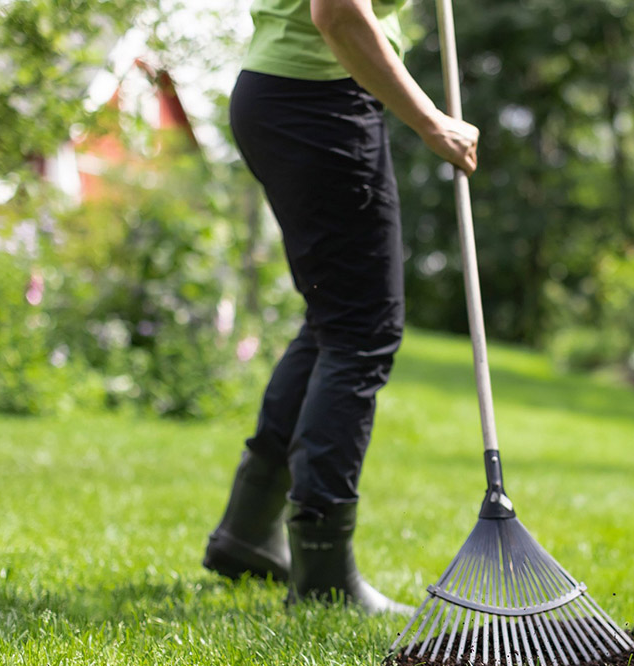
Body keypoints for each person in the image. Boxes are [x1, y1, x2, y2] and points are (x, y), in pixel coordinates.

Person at [201, 0, 479, 614]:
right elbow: (337, 13)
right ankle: (324, 576)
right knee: (360, 331)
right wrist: (431, 120)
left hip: (292, 96)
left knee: (334, 325)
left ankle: (248, 532)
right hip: (316, 101)